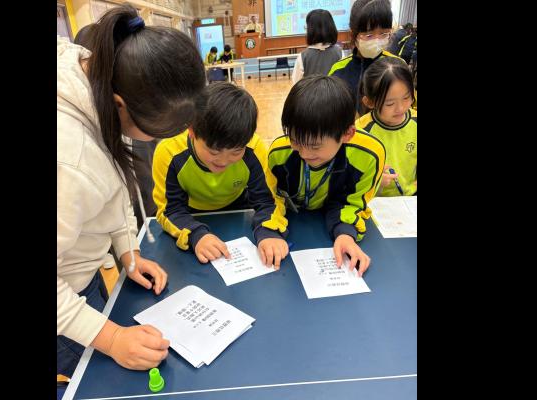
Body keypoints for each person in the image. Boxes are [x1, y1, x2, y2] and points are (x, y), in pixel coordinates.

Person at [57, 4, 206, 377]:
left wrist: (128, 251)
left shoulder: (98, 78)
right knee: (95, 378)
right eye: (153, 133)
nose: (151, 142)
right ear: (120, 106)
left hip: (80, 270)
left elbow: (115, 186)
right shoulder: (69, 162)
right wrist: (111, 339)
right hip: (63, 300)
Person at [152, 83, 289, 269]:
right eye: (214, 151)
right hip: (190, 213)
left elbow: (267, 201)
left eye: (236, 151)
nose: (224, 161)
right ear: (192, 131)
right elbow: (170, 210)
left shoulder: (254, 149)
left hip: (238, 208)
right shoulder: (168, 153)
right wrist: (195, 234)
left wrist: (269, 231)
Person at [268, 75, 385, 276]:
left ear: (347, 134)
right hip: (293, 225)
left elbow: (352, 202)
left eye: (315, 146)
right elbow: (272, 199)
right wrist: (270, 231)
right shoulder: (279, 154)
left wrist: (345, 234)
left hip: (330, 226)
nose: (304, 154)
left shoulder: (369, 156)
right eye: (295, 140)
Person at [328, 0, 401, 115]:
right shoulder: (338, 70)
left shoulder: (397, 66)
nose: (377, 40)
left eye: (383, 34)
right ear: (353, 34)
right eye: (369, 35)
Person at [357, 57, 417, 196]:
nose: (401, 108)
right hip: (374, 203)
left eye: (406, 98)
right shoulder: (360, 131)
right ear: (370, 102)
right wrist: (374, 181)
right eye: (390, 104)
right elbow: (351, 180)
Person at [293, 9, 343, 84]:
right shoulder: (340, 53)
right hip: (336, 91)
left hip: (311, 92)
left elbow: (296, 84)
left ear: (310, 30)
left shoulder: (303, 56)